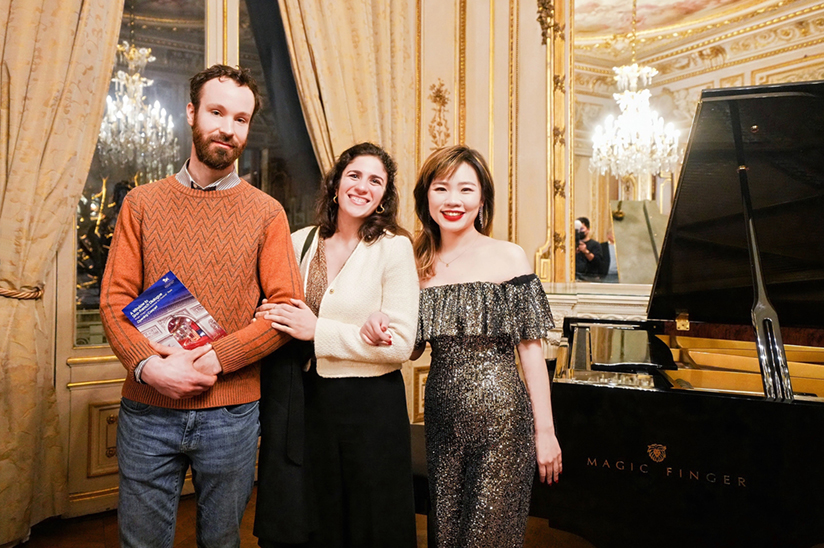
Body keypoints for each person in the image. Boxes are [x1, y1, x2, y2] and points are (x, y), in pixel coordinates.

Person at [99, 64, 302, 548]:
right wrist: (150, 367)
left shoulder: (267, 213)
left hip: (231, 412)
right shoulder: (141, 203)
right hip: (149, 408)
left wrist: (214, 359)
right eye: (216, 112)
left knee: (221, 542)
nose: (228, 128)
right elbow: (113, 300)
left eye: (241, 119)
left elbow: (286, 310)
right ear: (191, 113)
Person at [255, 142, 419, 548]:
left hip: (371, 408)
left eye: (375, 181)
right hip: (306, 402)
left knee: (370, 523)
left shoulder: (394, 247)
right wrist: (268, 313)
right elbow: (277, 308)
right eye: (355, 175)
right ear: (335, 184)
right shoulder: (299, 242)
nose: (363, 186)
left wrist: (318, 330)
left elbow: (400, 345)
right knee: (315, 518)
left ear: (384, 195)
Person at [411, 145, 562, 547]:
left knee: (488, 538)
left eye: (466, 189)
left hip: (504, 423)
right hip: (441, 422)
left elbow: (531, 353)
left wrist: (545, 432)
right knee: (446, 536)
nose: (453, 200)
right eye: (441, 188)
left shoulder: (508, 256)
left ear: (482, 200)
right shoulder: (415, 262)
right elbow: (410, 348)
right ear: (427, 197)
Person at [575, 216, 603, 281]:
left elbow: (598, 263)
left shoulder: (595, 244)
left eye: (582, 229)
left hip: (590, 278)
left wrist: (585, 251)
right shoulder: (571, 244)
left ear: (588, 229)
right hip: (575, 277)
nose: (579, 231)